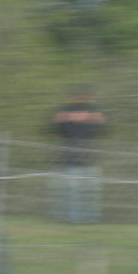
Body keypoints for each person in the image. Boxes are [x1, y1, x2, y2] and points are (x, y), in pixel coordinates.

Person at [48, 89, 107, 224]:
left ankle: (87, 219)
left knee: (86, 191)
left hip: (86, 158)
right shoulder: (66, 112)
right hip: (72, 158)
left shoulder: (92, 112)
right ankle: (75, 219)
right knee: (75, 191)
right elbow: (56, 129)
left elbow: (102, 129)